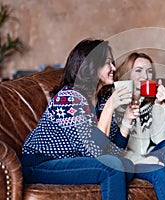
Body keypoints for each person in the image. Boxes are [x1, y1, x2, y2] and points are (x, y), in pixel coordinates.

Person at [21, 39, 137, 200]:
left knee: (127, 166)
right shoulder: (68, 98)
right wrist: (111, 106)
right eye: (107, 63)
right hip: (41, 164)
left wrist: (126, 121)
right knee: (114, 168)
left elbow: (113, 152)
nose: (114, 68)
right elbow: (94, 153)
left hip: (74, 160)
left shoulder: (103, 100)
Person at [96, 52, 165, 200]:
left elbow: (161, 138)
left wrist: (159, 105)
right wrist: (146, 160)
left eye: (149, 71)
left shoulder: (150, 101)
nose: (145, 76)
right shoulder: (113, 101)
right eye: (138, 70)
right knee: (159, 170)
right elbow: (114, 148)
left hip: (149, 154)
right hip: (126, 160)